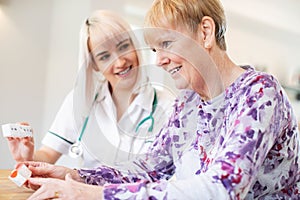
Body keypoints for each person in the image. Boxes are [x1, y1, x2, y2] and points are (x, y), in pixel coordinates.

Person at [22, 0, 300, 199]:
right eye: (155, 49)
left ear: (205, 32)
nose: (159, 60)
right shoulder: (188, 103)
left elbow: (223, 188)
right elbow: (150, 170)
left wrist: (96, 194)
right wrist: (76, 177)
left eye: (166, 44)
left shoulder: (259, 93)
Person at [5, 10, 175, 168]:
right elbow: (48, 155)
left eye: (124, 47)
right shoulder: (80, 101)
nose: (120, 62)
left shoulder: (167, 105)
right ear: (94, 65)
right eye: (104, 56)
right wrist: (27, 158)